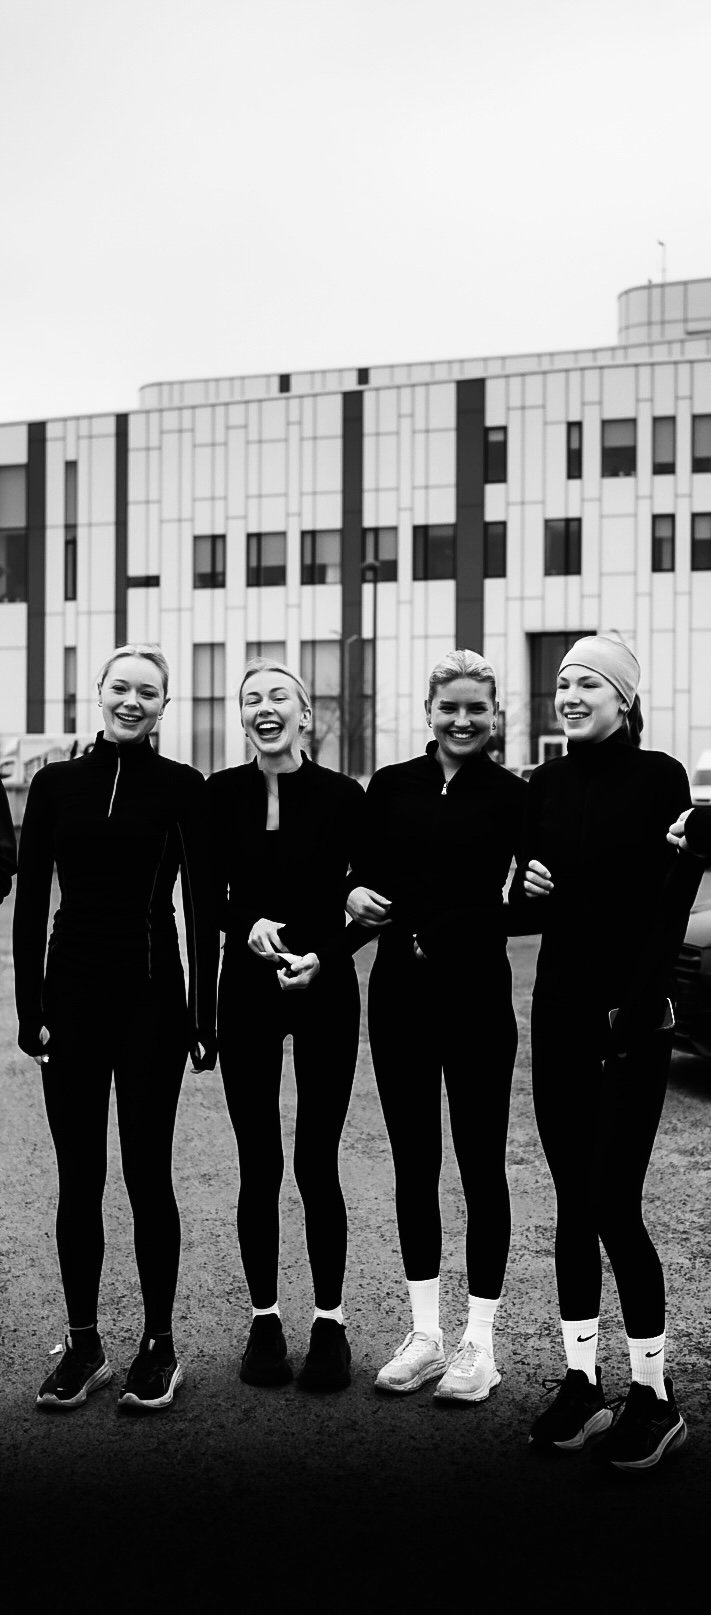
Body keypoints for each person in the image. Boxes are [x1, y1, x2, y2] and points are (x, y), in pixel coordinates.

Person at [512, 634, 701, 1469]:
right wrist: (521, 881)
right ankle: (582, 1381)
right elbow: (521, 900)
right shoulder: (540, 784)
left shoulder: (659, 777)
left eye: (588, 681)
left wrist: (643, 995)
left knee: (613, 1201)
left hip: (631, 1019)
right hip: (557, 1013)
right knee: (570, 1202)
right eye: (561, 682)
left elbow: (670, 899)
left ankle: (654, 1394)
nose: (570, 692)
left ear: (623, 698)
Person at [13, 644, 217, 1414]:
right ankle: (85, 1343)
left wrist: (205, 1018)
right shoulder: (55, 784)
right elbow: (32, 901)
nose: (133, 700)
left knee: (146, 1172)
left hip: (152, 999)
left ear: (165, 705)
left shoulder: (181, 788)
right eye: (121, 687)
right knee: (78, 1178)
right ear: (98, 693)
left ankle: (159, 1344)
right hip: (70, 997)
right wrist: (29, 1007)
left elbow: (200, 905)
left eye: (149, 692)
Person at [348, 650, 527, 1403]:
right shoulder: (389, 787)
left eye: (475, 708)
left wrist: (519, 896)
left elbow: (542, 894)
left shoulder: (517, 795)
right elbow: (357, 875)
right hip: (398, 999)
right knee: (413, 1164)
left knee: (481, 1166)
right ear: (428, 709)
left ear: (493, 716)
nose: (461, 719)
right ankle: (425, 1333)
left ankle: (477, 1345)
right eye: (448, 705)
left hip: (479, 998)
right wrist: (351, 893)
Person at [206, 659, 366, 1392]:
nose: (264, 707)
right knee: (258, 1161)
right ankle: (264, 1319)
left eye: (278, 697)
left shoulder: (341, 795)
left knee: (315, 1161)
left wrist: (322, 955)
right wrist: (247, 926)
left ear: (305, 714)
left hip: (324, 984)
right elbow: (206, 895)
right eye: (251, 698)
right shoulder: (221, 794)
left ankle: (328, 1322)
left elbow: (366, 901)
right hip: (246, 988)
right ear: (242, 717)